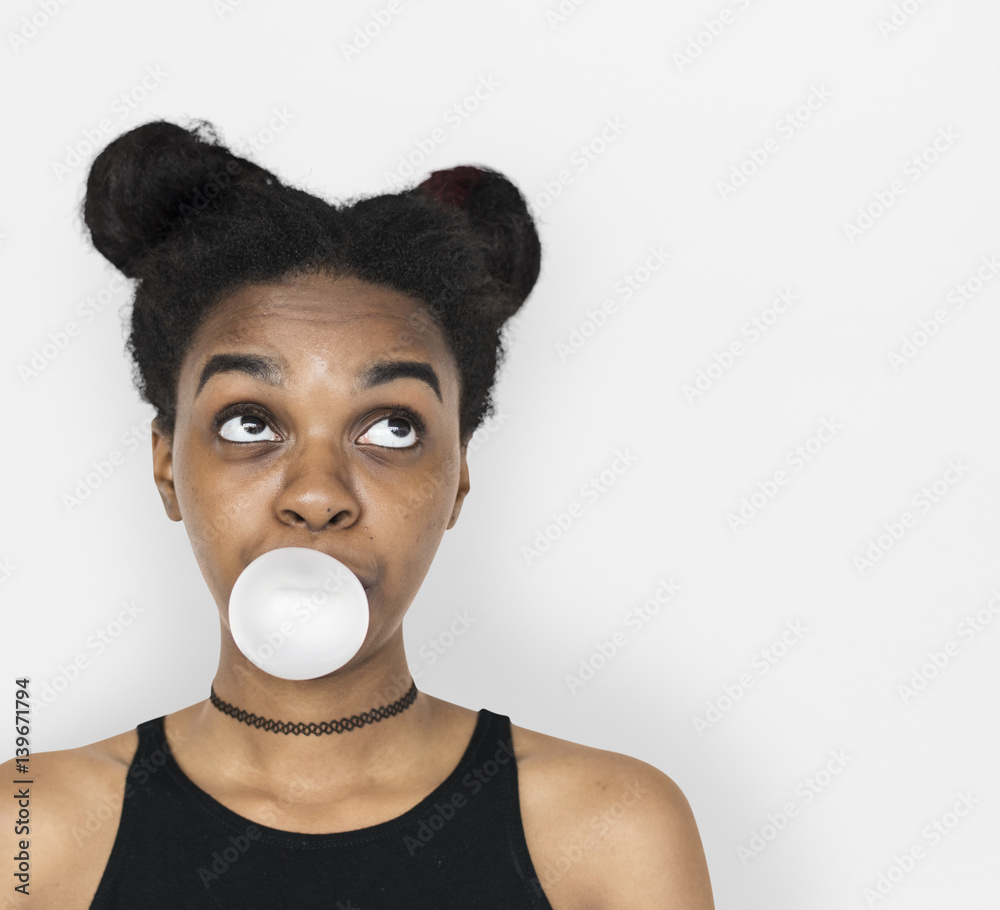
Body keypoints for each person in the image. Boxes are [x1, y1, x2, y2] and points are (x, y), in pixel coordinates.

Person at [2, 119, 715, 908]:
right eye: (250, 423)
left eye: (392, 429)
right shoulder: (32, 833)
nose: (317, 494)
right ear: (168, 466)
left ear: (459, 478)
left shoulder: (609, 830)